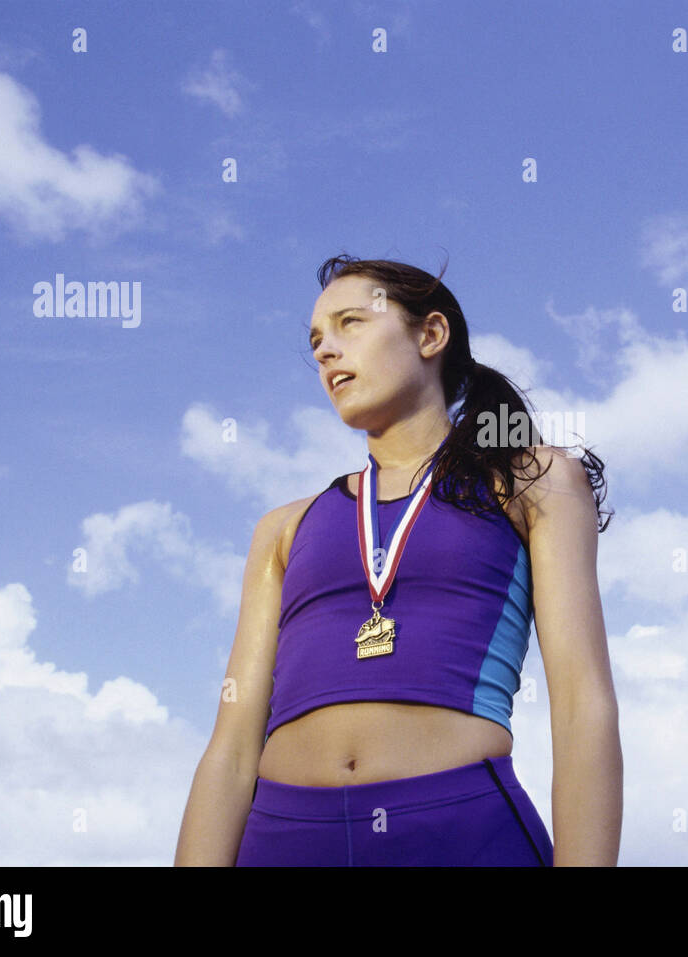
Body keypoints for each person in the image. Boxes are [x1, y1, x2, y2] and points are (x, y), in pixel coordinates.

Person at [174, 254, 622, 866]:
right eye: (316, 340)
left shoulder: (532, 480)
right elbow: (229, 747)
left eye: (350, 322)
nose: (326, 351)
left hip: (462, 829)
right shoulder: (283, 528)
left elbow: (582, 703)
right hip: (281, 839)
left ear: (430, 335)